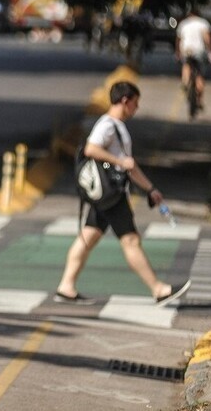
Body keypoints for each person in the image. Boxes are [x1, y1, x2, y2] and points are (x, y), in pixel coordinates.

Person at [55, 81, 191, 307]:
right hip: (112, 195)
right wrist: (119, 161)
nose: (136, 109)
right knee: (130, 240)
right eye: (135, 104)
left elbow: (131, 167)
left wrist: (150, 189)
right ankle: (158, 289)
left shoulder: (116, 127)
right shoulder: (108, 125)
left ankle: (66, 286)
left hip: (107, 194)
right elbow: (92, 149)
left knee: (88, 237)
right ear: (125, 101)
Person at [175, 8, 211, 108]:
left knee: (186, 65)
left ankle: (185, 81)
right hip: (199, 51)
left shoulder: (183, 24)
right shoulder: (203, 23)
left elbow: (179, 39)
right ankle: (199, 100)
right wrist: (210, 51)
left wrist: (178, 52)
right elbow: (207, 38)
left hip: (187, 49)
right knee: (200, 75)